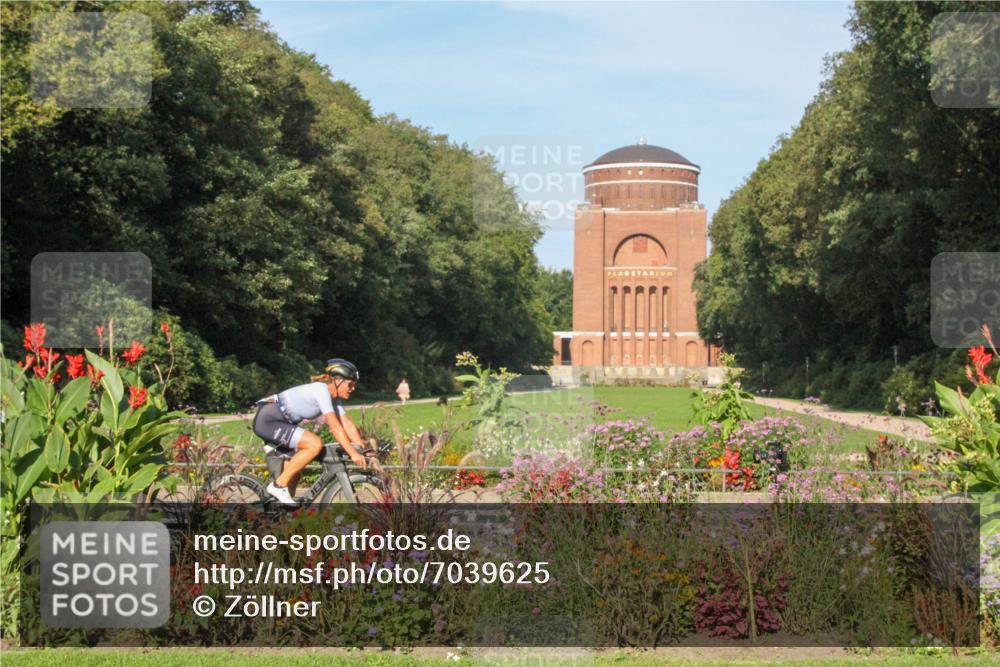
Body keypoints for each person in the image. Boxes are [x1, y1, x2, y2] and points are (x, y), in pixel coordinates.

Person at [252, 359, 368, 506]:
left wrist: (362, 448)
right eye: (350, 384)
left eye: (354, 385)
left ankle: (282, 517)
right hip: (269, 421)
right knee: (314, 444)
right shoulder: (321, 391)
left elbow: (347, 424)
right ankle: (278, 485)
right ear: (337, 381)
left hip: (281, 423)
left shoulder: (334, 399)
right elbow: (335, 427)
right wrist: (352, 453)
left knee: (293, 474)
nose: (353, 388)